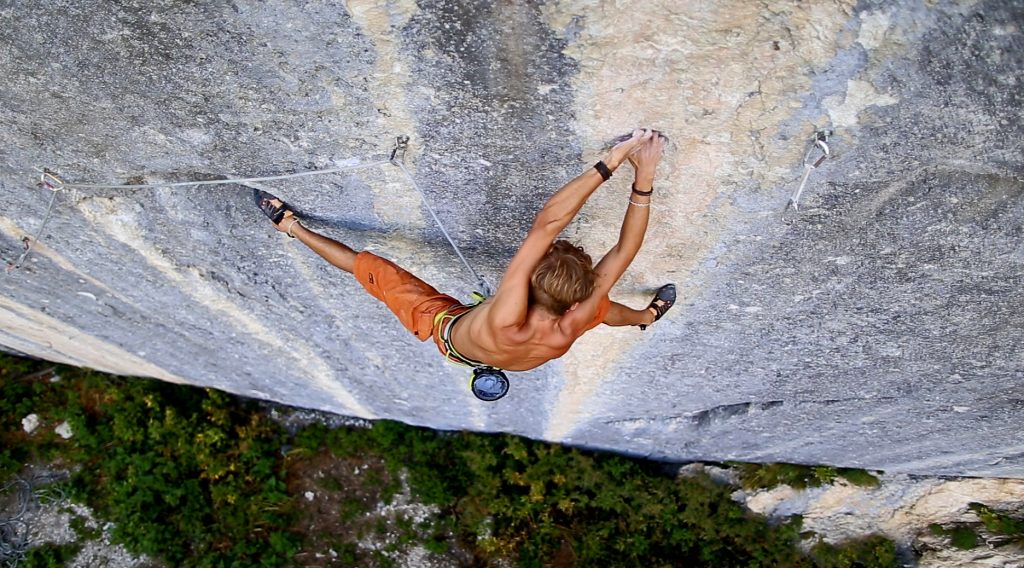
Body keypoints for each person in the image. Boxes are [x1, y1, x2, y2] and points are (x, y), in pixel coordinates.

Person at [255, 128, 675, 396]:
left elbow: (546, 225)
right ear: (570, 301)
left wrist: (614, 162)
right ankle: (644, 317)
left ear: (529, 284)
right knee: (599, 310)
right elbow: (624, 252)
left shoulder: (508, 314)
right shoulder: (574, 317)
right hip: (526, 346)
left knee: (373, 270)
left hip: (449, 331)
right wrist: (645, 178)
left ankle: (290, 227)